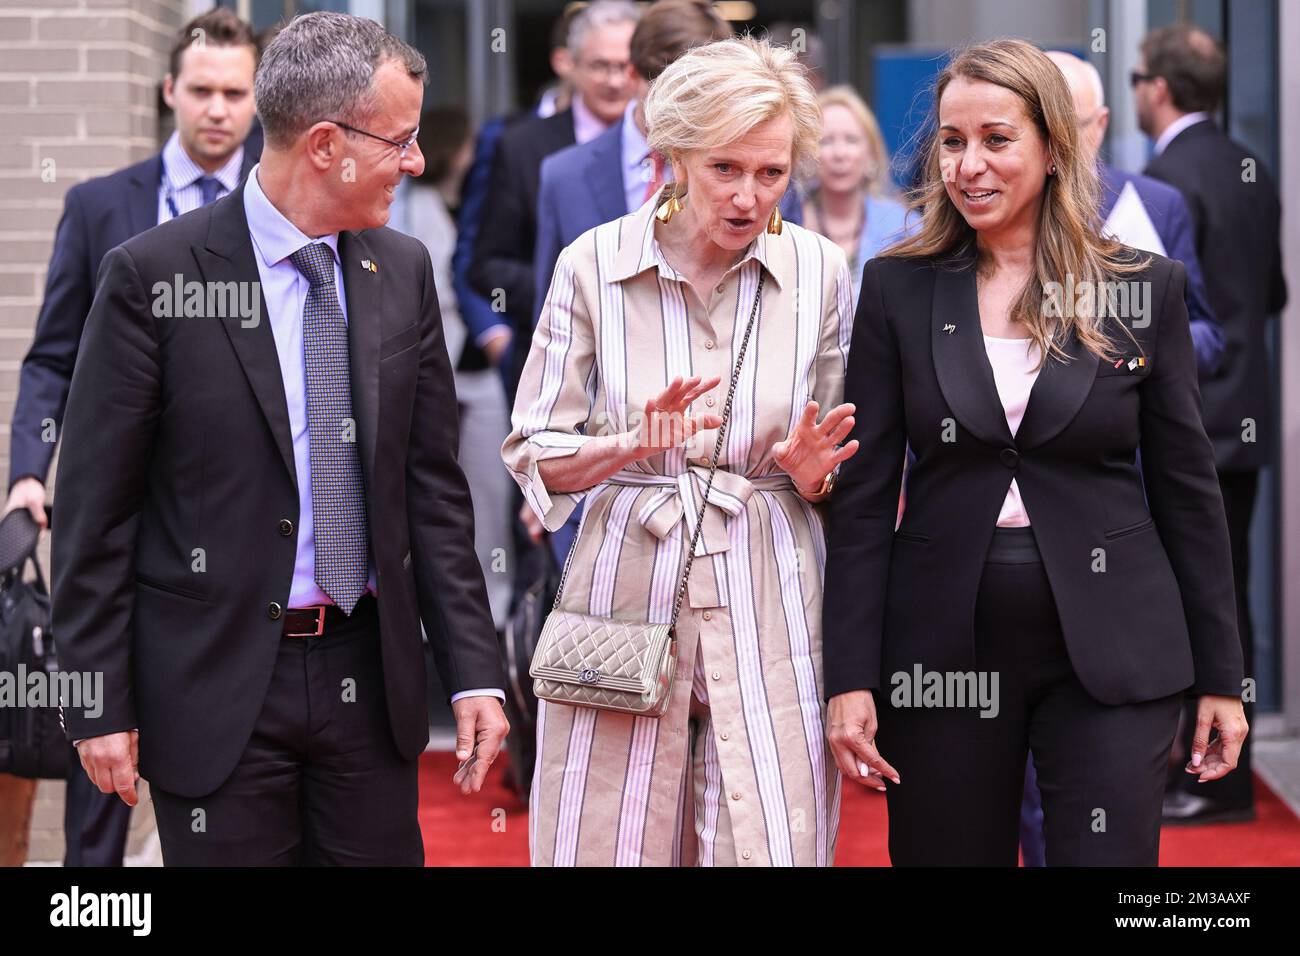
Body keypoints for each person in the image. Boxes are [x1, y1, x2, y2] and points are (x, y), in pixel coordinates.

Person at [51, 11, 508, 866]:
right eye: (400, 141)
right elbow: (93, 514)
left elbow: (432, 494)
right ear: (328, 143)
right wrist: (100, 705)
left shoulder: (401, 270)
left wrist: (474, 671)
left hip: (369, 683)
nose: (416, 161)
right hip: (216, 687)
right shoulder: (153, 277)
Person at [822, 39, 1247, 866]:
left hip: (1115, 650)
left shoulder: (1139, 288)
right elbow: (865, 498)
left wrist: (1222, 678)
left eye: (997, 139)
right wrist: (851, 676)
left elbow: (1189, 492)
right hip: (943, 651)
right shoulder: (897, 288)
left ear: (1054, 148)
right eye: (952, 141)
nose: (969, 165)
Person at [503, 36, 856, 867]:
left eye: (771, 174)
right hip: (628, 578)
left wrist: (818, 475)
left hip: (770, 573)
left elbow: (843, 450)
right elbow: (535, 451)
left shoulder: (820, 270)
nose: (747, 196)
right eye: (724, 169)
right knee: (608, 836)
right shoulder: (593, 263)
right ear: (672, 156)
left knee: (766, 832)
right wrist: (630, 443)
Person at [4, 7, 261, 868]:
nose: (218, 110)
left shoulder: (279, 212)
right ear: (169, 93)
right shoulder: (98, 206)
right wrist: (30, 473)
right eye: (202, 91)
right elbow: (51, 359)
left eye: (234, 93)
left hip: (227, 520)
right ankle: (92, 901)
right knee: (100, 736)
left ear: (258, 99)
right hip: (115, 507)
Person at [1133, 25, 1286, 827]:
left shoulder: (1162, 181)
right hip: (1245, 414)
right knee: (1228, 595)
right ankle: (1221, 772)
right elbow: (1273, 295)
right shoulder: (1250, 170)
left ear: (1158, 89)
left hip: (1190, 421)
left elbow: (1168, 319)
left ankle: (1204, 777)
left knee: (1190, 593)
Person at [530, 0, 735, 566]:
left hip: (722, 465)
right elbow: (547, 332)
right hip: (601, 469)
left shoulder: (748, 177)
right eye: (669, 82)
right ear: (637, 73)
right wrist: (547, 465)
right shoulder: (565, 174)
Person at [469, 0, 641, 401]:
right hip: (559, 366)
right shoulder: (522, 147)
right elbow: (487, 264)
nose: (615, 81)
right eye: (601, 66)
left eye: (626, 66)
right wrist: (574, 294)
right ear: (570, 65)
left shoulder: (671, 148)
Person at [401, 109, 515, 644]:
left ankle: (491, 622)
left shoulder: (472, 203)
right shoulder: (415, 204)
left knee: (489, 500)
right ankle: (432, 633)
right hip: (437, 373)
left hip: (478, 379)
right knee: (434, 497)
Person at [1045, 50, 1222, 378]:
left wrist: (1147, 342)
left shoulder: (1155, 204)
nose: (1057, 144)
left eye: (1069, 127)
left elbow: (1206, 336)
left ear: (1099, 126)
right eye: (1042, 126)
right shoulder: (1000, 209)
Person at [802, 85, 912, 308]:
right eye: (826, 141)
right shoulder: (785, 223)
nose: (839, 154)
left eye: (851, 140)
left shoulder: (905, 227)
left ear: (871, 153)